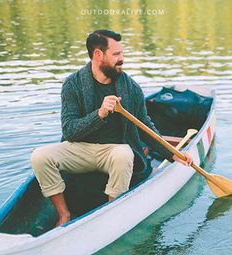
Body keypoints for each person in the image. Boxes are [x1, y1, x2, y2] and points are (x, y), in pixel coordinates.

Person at [31, 29, 193, 226]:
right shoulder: (73, 84)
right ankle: (64, 214)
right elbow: (69, 131)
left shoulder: (131, 88)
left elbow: (144, 126)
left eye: (122, 53)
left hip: (114, 151)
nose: (122, 59)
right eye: (116, 54)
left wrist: (172, 153)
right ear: (98, 55)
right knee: (40, 156)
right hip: (81, 150)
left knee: (124, 154)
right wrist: (99, 114)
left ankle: (111, 215)